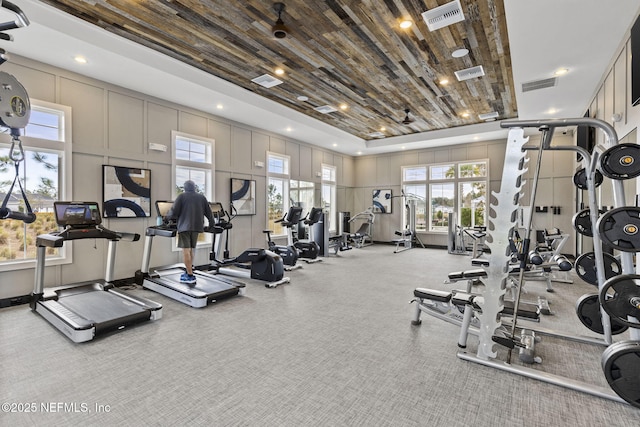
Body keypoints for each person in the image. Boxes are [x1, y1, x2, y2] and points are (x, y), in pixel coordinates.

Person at [167, 180, 214, 284]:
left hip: (184, 227)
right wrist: (211, 224)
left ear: (185, 188)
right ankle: (190, 270)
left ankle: (189, 274)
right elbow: (209, 212)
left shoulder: (181, 197)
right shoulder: (201, 197)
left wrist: (167, 218)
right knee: (192, 250)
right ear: (194, 187)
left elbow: (174, 211)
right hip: (197, 227)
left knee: (186, 251)